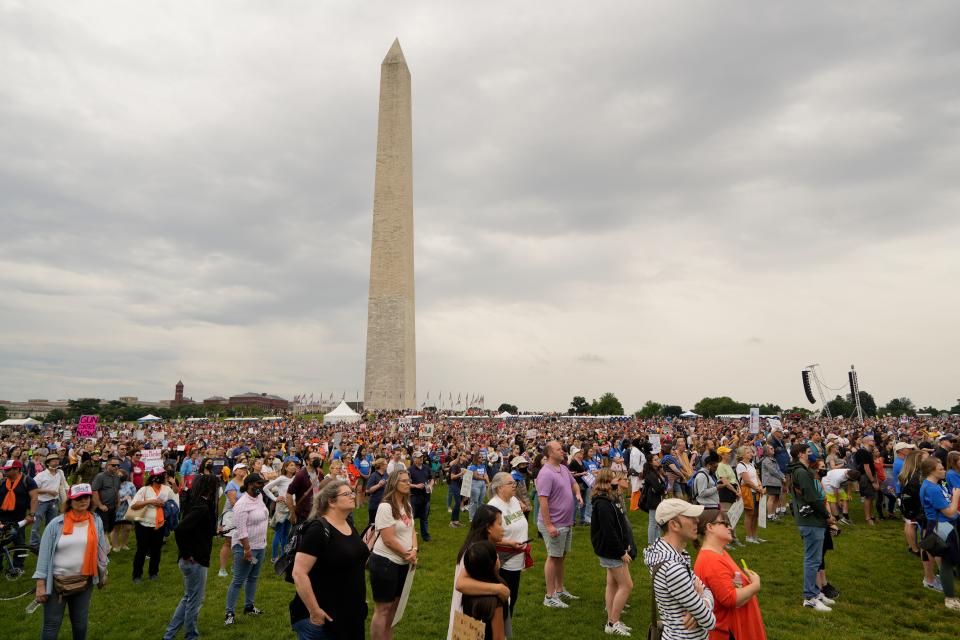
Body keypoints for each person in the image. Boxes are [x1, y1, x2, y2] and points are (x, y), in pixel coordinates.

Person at [290, 478, 369, 640]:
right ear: (331, 502)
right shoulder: (318, 530)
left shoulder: (348, 525)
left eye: (352, 492)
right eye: (347, 493)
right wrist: (315, 612)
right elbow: (298, 573)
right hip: (324, 618)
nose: (353, 496)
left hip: (349, 616)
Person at [32, 483, 110, 640]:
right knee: (51, 624)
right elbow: (44, 555)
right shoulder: (56, 524)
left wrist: (103, 573)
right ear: (70, 501)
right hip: (56, 583)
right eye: (78, 498)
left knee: (80, 623)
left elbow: (101, 550)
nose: (83, 501)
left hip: (84, 581)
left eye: (86, 497)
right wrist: (40, 584)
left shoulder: (96, 521)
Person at [643, 498, 716, 640]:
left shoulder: (671, 555)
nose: (697, 521)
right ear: (674, 525)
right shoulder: (672, 568)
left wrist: (702, 604)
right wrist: (701, 603)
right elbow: (710, 621)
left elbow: (706, 591)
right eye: (690, 517)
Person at [693, 510, 766, 639]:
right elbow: (730, 598)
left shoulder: (719, 552)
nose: (730, 527)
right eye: (725, 524)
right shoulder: (711, 560)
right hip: (730, 632)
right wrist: (755, 585)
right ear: (710, 527)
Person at [163, 474, 219, 640]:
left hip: (194, 558)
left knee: (188, 597)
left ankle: (170, 634)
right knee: (195, 600)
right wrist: (187, 554)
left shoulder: (199, 504)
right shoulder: (201, 507)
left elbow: (197, 528)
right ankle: (191, 635)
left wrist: (214, 531)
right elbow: (180, 530)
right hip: (195, 560)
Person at [448, 504, 512, 640]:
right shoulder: (475, 553)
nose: (503, 528)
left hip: (473, 616)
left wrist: (508, 544)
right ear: (488, 528)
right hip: (473, 621)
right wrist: (498, 588)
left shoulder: (479, 546)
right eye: (500, 524)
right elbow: (461, 583)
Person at [369, 470, 417, 640]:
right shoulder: (385, 507)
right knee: (383, 608)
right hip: (385, 563)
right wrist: (407, 553)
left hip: (403, 562)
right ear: (394, 484)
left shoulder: (407, 505)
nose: (408, 483)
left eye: (408, 480)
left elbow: (412, 530)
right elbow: (388, 539)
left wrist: (414, 550)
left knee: (395, 608)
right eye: (404, 481)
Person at [788, 443, 836, 611]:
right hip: (811, 520)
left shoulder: (800, 470)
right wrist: (827, 515)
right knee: (812, 559)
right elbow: (812, 497)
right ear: (801, 454)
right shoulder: (801, 472)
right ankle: (809, 597)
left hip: (812, 520)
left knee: (815, 559)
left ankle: (815, 592)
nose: (811, 455)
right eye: (808, 452)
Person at [536, 440, 582, 608]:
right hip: (554, 523)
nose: (562, 451)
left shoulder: (563, 468)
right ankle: (550, 596)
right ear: (549, 454)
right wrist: (548, 526)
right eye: (558, 449)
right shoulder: (546, 473)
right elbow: (543, 501)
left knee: (561, 557)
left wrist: (578, 494)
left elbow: (574, 483)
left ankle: (560, 589)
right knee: (553, 557)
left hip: (566, 522)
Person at [590, 469, 635, 636]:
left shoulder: (609, 498)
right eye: (616, 477)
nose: (619, 480)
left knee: (613, 584)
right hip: (611, 550)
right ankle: (612, 622)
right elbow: (609, 531)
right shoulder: (603, 503)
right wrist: (621, 551)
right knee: (626, 585)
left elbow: (618, 524)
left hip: (613, 548)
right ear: (608, 481)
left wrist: (625, 543)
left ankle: (612, 619)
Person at [225, 472, 269, 625]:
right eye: (259, 484)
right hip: (245, 547)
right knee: (238, 580)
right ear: (250, 485)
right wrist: (247, 549)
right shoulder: (241, 504)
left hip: (260, 544)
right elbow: (241, 530)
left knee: (253, 578)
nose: (261, 486)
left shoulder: (259, 497)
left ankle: (249, 606)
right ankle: (229, 612)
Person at [918, 456, 960, 611]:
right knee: (948, 563)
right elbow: (949, 511)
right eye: (941, 468)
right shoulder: (932, 488)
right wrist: (956, 496)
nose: (944, 470)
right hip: (942, 526)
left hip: (943, 525)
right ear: (931, 471)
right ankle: (950, 599)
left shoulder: (933, 484)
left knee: (955, 558)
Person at [486, 471, 530, 618]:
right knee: (502, 599)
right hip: (503, 559)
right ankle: (498, 631)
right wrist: (509, 543)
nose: (514, 485)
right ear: (499, 488)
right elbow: (486, 535)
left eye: (514, 482)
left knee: (512, 597)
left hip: (517, 556)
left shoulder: (514, 501)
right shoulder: (493, 507)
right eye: (510, 483)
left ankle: (504, 630)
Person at [129, 467, 177, 583]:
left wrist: (165, 505)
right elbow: (134, 505)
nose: (164, 477)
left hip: (159, 524)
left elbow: (172, 501)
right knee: (142, 550)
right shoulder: (144, 490)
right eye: (161, 475)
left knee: (156, 550)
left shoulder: (166, 489)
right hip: (143, 525)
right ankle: (137, 575)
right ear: (154, 478)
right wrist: (150, 501)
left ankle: (153, 573)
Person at [460, 541, 509, 640]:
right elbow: (498, 637)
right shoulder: (495, 600)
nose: (498, 557)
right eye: (496, 556)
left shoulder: (468, 591)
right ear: (492, 564)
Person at [1, 459, 38, 576]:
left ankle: (17, 567)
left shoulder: (28, 481)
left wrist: (32, 514)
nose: (5, 472)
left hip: (19, 519)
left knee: (19, 544)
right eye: (5, 470)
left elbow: (34, 498)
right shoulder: (3, 482)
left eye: (8, 470)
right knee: (1, 543)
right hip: (2, 518)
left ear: (17, 469)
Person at [264, 457, 299, 562]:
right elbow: (266, 488)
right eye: (291, 465)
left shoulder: (295, 478)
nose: (294, 467)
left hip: (292, 507)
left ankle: (284, 555)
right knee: (279, 531)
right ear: (286, 467)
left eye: (295, 465)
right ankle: (274, 557)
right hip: (282, 507)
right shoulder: (282, 478)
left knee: (286, 532)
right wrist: (275, 498)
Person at [31, 453, 67, 551]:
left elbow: (65, 485)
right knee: (36, 525)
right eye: (53, 460)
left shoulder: (60, 472)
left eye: (57, 459)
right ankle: (34, 546)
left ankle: (49, 544)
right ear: (48, 463)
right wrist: (48, 491)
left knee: (51, 525)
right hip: (41, 502)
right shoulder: (40, 475)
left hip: (54, 502)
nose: (56, 461)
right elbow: (33, 489)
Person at [218, 462, 248, 577]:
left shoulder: (246, 483)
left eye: (245, 468)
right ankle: (222, 569)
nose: (243, 470)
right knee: (228, 542)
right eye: (241, 469)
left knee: (241, 541)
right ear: (235, 471)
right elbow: (233, 502)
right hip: (231, 515)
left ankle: (235, 566)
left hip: (242, 514)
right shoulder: (231, 484)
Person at [91, 457, 122, 551]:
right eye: (113, 465)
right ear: (108, 465)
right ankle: (104, 550)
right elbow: (94, 491)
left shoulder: (117, 477)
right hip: (103, 507)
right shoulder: (100, 476)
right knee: (102, 529)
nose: (116, 467)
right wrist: (100, 505)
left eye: (118, 465)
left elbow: (116, 490)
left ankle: (103, 546)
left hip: (113, 507)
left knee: (109, 528)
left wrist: (118, 502)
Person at [735, 446, 764, 544]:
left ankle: (755, 535)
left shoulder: (751, 464)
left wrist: (760, 485)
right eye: (748, 453)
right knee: (749, 514)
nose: (751, 454)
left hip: (756, 491)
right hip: (748, 491)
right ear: (742, 455)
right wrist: (758, 488)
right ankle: (749, 536)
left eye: (750, 452)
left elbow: (756, 476)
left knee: (756, 514)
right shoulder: (741, 465)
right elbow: (747, 481)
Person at [641, 454, 666, 545]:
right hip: (653, 500)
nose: (658, 460)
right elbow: (659, 488)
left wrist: (662, 486)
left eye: (658, 459)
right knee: (653, 522)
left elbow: (662, 485)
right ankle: (651, 542)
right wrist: (662, 487)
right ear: (651, 462)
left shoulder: (656, 471)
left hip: (657, 499)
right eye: (655, 460)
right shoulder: (650, 474)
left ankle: (657, 540)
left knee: (658, 521)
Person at [409, 451, 434, 541]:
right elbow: (406, 483)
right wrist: (416, 486)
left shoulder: (426, 468)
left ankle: (425, 536)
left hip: (426, 496)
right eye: (419, 457)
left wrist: (430, 485)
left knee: (424, 517)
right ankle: (410, 536)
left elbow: (431, 479)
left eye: (422, 457)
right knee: (412, 517)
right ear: (414, 459)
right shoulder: (410, 470)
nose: (421, 459)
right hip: (414, 497)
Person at [854, 435, 878, 525]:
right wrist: (872, 481)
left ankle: (871, 515)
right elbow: (866, 467)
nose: (874, 442)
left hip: (868, 476)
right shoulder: (863, 452)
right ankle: (868, 518)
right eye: (873, 440)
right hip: (865, 476)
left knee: (871, 497)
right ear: (867, 441)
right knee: (868, 497)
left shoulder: (867, 451)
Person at [760, 445, 784, 522]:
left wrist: (783, 476)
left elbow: (778, 469)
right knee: (772, 498)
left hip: (776, 481)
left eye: (773, 448)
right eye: (771, 448)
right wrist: (782, 477)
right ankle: (770, 515)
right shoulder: (766, 460)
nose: (773, 449)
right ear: (766, 451)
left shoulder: (773, 459)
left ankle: (773, 514)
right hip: (770, 482)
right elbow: (773, 470)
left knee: (776, 498)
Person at [467, 452, 490, 522]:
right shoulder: (473, 466)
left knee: (481, 501)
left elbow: (486, 474)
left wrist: (488, 483)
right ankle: (472, 517)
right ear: (476, 458)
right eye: (480, 457)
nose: (481, 458)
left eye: (482, 457)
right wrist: (484, 479)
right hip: (475, 484)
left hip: (482, 484)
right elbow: (476, 476)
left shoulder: (483, 466)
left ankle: (479, 516)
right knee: (474, 501)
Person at [366, 458, 388, 526]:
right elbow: (368, 490)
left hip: (384, 504)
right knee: (373, 525)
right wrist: (379, 485)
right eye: (385, 464)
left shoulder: (386, 474)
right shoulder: (374, 475)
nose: (387, 465)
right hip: (375, 505)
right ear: (381, 465)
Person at [448, 452, 468, 527]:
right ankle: (452, 522)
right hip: (454, 485)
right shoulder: (455, 465)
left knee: (459, 503)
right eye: (463, 455)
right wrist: (461, 474)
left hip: (461, 485)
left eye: (465, 456)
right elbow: (452, 477)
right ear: (459, 456)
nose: (465, 457)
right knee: (457, 503)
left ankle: (456, 521)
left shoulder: (465, 464)